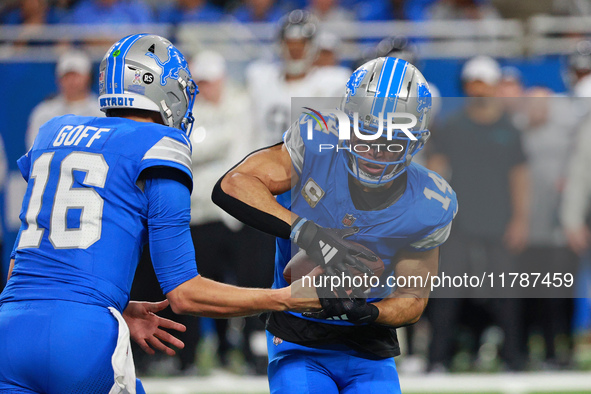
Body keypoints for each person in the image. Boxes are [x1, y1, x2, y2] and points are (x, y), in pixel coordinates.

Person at [0, 33, 319, 393]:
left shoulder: (53, 131)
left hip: (9, 330)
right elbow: (185, 293)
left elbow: (20, 269)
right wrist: (281, 299)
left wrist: (118, 309)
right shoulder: (159, 145)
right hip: (82, 338)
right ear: (158, 88)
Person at [214, 57, 457, 392]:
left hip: (369, 349)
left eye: (392, 141)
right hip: (300, 339)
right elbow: (234, 184)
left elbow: (412, 298)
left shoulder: (430, 200)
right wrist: (310, 234)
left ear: (416, 140)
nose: (376, 151)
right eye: (367, 133)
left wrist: (368, 312)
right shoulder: (316, 142)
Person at [426, 55, 529, 372]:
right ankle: (438, 360)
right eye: (474, 82)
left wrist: (521, 220)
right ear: (466, 86)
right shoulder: (453, 127)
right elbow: (437, 171)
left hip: (499, 223)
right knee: (446, 293)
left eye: (485, 82)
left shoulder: (509, 130)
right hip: (457, 225)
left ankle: (513, 359)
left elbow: (520, 177)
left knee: (507, 294)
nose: (480, 88)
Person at [246, 9, 351, 147]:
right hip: (267, 163)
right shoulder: (261, 80)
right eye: (291, 43)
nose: (295, 50)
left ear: (313, 46)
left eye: (301, 44)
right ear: (281, 45)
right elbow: (248, 132)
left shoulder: (333, 84)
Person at [26, 49, 103, 149]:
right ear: (58, 79)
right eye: (66, 76)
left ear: (88, 77)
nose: (71, 81)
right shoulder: (44, 113)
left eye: (76, 76)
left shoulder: (102, 112)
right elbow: (34, 150)